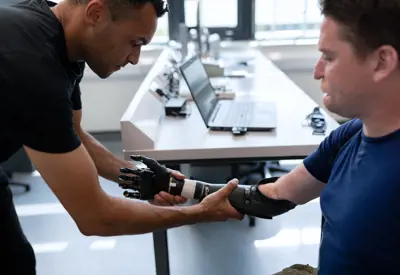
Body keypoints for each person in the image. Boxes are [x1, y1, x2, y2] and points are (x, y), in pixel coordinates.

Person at [0, 0, 243, 274]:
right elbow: (96, 217)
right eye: (134, 42)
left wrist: (140, 178)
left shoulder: (59, 37)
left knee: (16, 261)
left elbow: (74, 133)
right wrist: (199, 213)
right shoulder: (31, 62)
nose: (135, 58)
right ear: (96, 14)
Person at [258, 0, 400, 274]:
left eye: (329, 57)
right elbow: (277, 193)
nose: (317, 71)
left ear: (382, 61)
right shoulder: (353, 132)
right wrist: (181, 187)